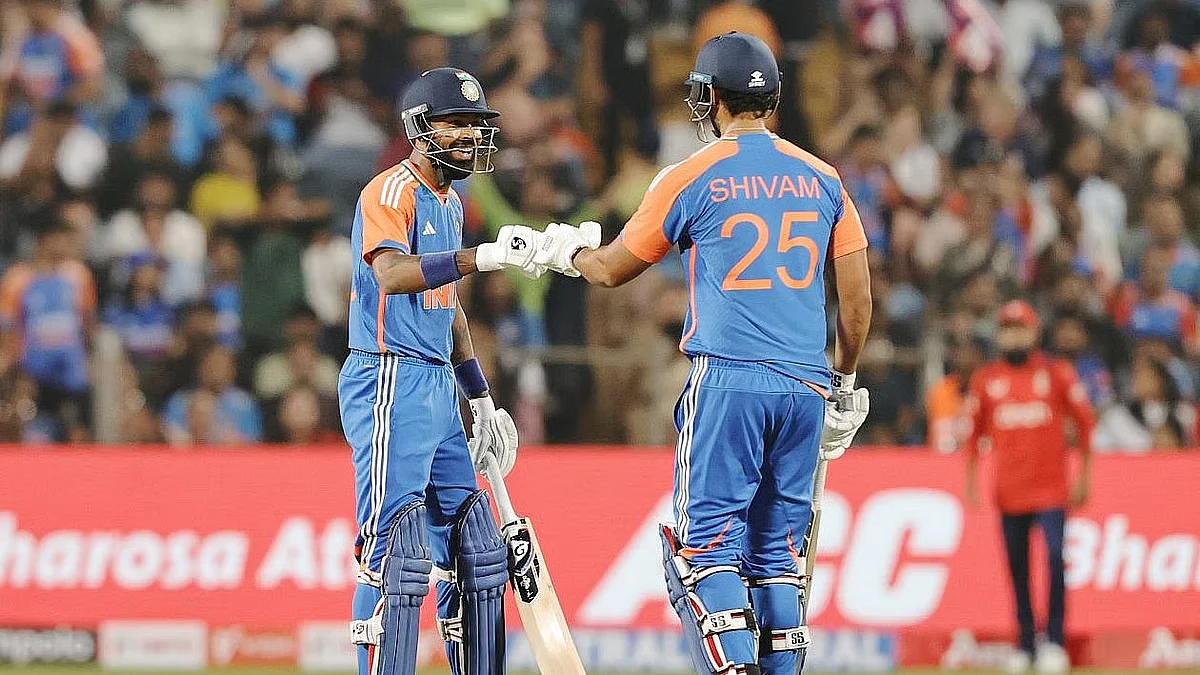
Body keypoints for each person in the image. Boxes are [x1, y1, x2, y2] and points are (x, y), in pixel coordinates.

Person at [501, 33, 873, 675]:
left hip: (728, 378)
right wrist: (842, 380)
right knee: (779, 557)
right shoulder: (823, 178)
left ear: (712, 98)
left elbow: (615, 269)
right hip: (808, 387)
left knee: (703, 552)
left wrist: (561, 252)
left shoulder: (691, 175)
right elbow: (858, 301)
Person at [339, 67, 546, 675]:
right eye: (457, 125)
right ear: (420, 128)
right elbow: (394, 274)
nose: (470, 138)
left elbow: (448, 305)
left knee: (477, 550)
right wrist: (479, 256)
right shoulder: (389, 191)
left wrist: (479, 394)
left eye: (477, 127)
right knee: (395, 556)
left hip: (437, 385)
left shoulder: (450, 201)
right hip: (387, 378)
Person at [963, 300, 1094, 675]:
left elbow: (1085, 425)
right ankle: (1024, 642)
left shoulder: (1056, 374)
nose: (1014, 335)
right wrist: (971, 483)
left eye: (1020, 328)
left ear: (1034, 332)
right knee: (1017, 569)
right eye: (1007, 328)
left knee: (1054, 559)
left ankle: (1054, 640)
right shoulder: (987, 379)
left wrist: (1084, 475)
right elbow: (972, 437)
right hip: (1009, 491)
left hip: (1052, 489)